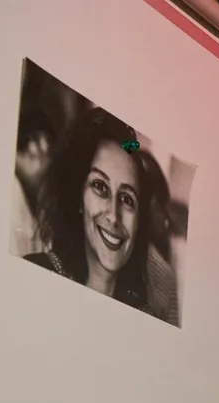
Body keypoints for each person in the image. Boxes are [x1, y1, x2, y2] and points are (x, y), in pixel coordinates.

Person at [24, 107, 179, 324]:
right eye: (99, 186)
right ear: (78, 197)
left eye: (127, 199)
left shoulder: (146, 318)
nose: (114, 217)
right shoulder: (33, 275)